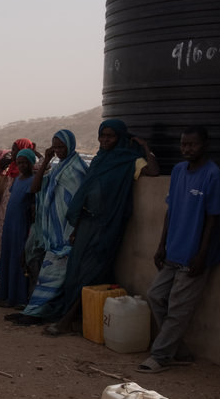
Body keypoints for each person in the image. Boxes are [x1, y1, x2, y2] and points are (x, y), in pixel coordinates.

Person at [42, 120, 159, 334]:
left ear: (120, 137)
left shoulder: (128, 160)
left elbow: (153, 171)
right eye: (102, 135)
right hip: (86, 223)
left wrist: (144, 146)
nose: (105, 140)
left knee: (90, 272)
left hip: (107, 224)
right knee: (74, 273)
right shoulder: (98, 160)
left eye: (111, 136)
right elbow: (87, 193)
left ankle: (66, 322)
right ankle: (81, 316)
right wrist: (76, 228)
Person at [138, 126, 220, 374]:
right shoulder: (177, 170)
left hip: (194, 255)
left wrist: (202, 253)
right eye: (183, 144)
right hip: (173, 249)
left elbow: (212, 218)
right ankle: (181, 351)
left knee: (178, 307)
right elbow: (171, 209)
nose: (187, 149)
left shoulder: (213, 175)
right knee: (156, 295)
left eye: (193, 144)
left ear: (205, 144)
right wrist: (161, 244)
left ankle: (162, 355)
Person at [12, 130, 88, 325]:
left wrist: (76, 230)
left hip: (68, 233)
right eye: (55, 147)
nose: (58, 150)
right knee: (48, 275)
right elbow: (35, 188)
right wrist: (46, 160)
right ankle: (34, 311)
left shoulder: (78, 170)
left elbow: (82, 204)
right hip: (54, 233)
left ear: (70, 145)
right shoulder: (57, 168)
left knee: (53, 276)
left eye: (61, 147)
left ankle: (35, 313)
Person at [0, 149, 37, 309]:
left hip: (21, 224)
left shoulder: (33, 181)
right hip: (9, 223)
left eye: (25, 162)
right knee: (7, 255)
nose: (22, 165)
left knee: (18, 257)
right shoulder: (17, 180)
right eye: (19, 162)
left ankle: (17, 297)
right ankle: (4, 294)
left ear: (32, 163)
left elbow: (32, 207)